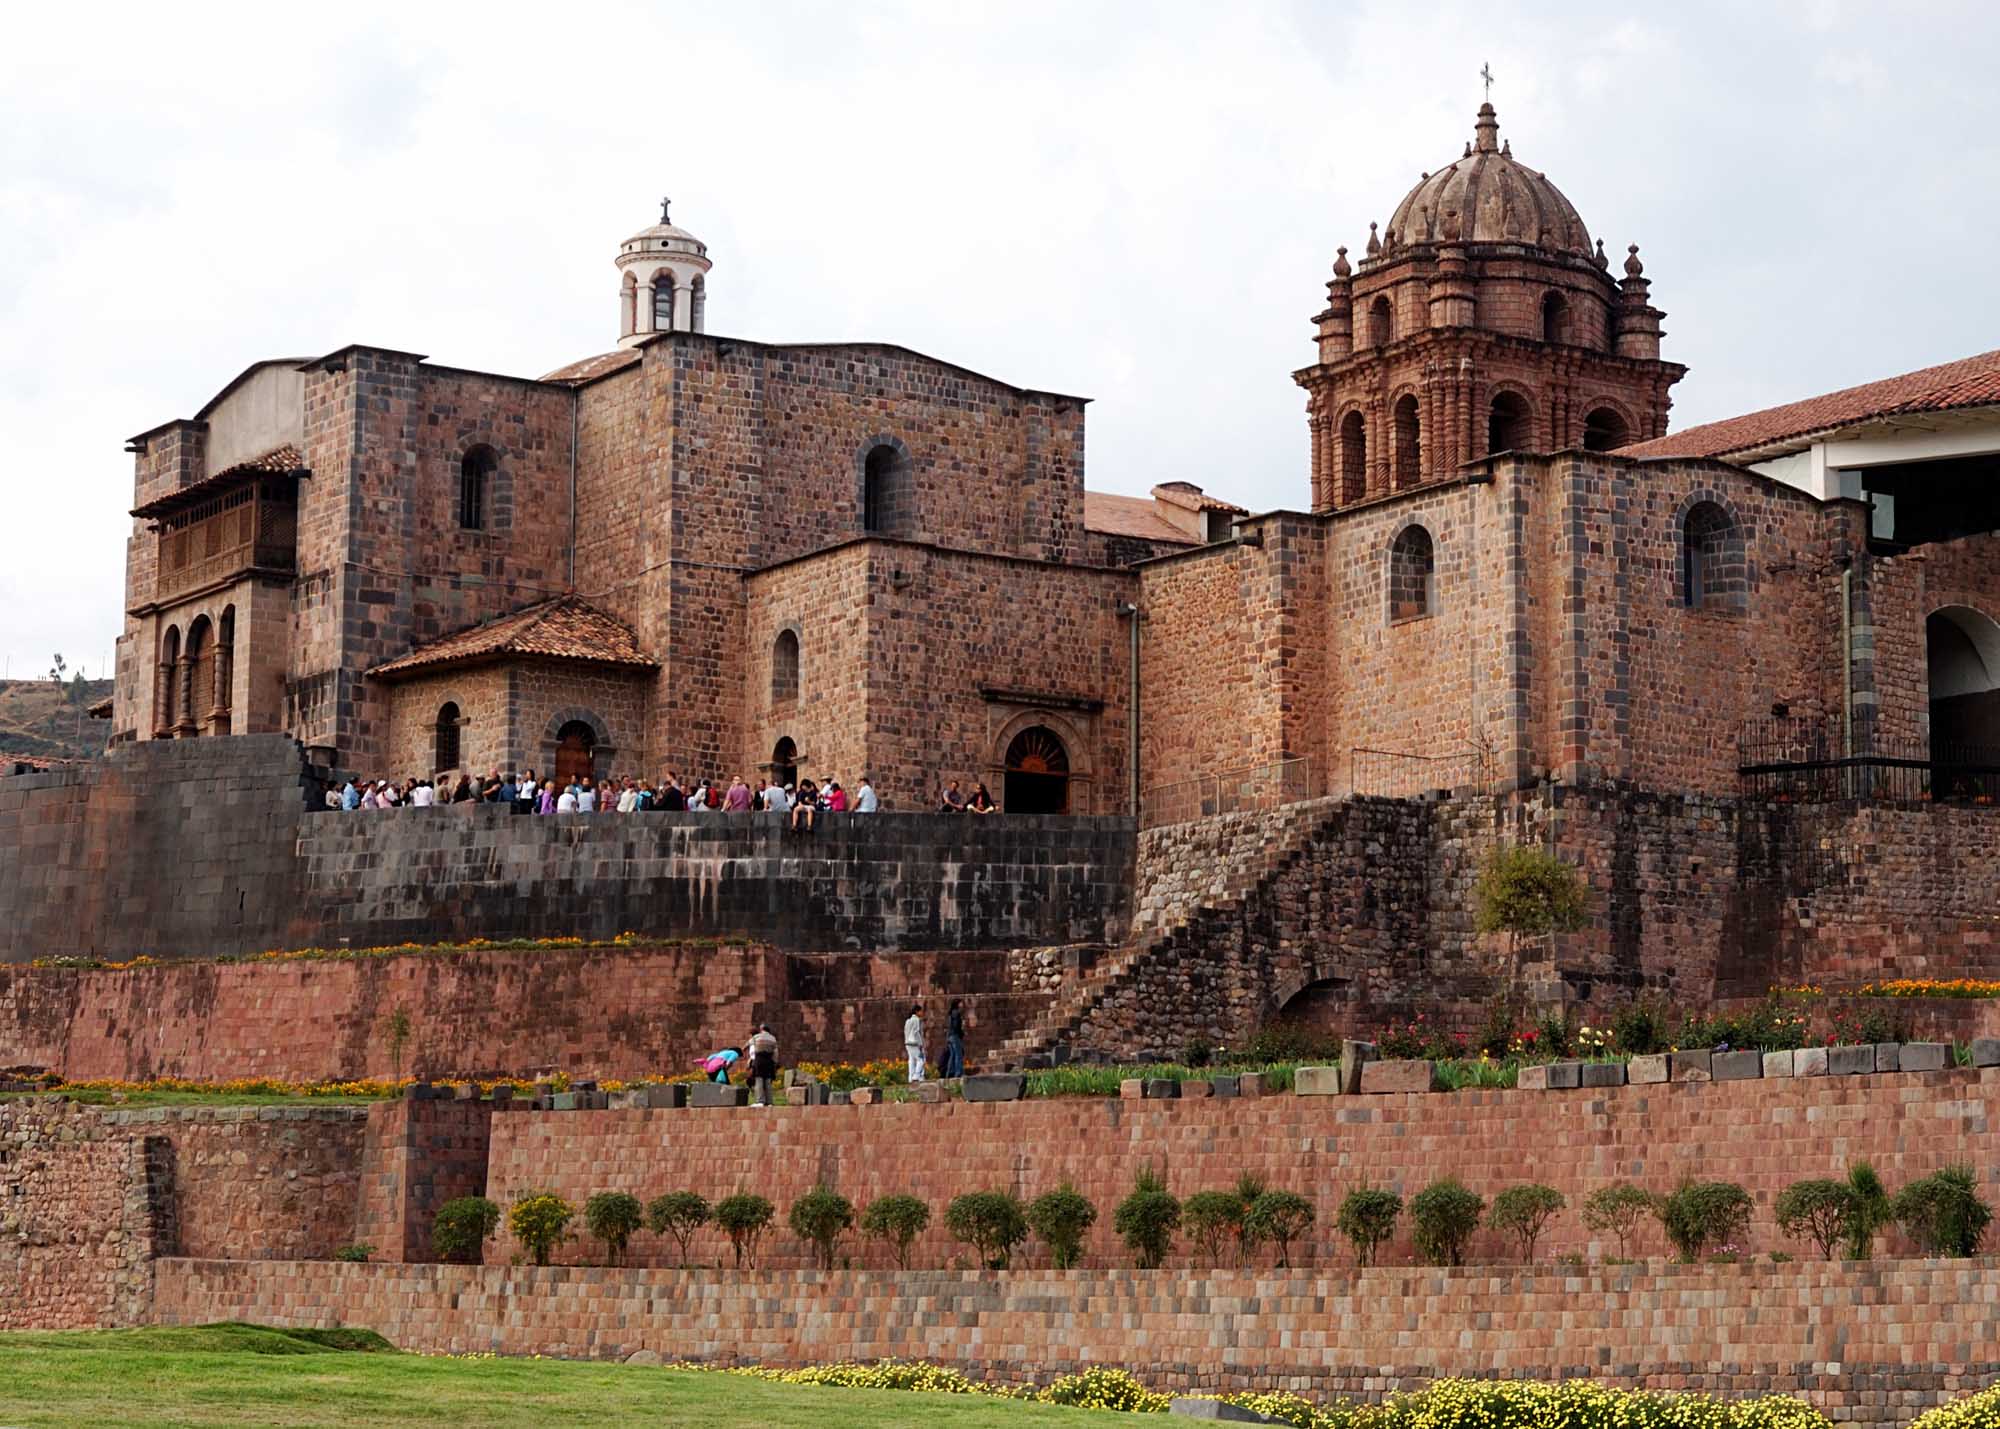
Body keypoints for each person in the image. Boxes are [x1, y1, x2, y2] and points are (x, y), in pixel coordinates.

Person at [747, 1023, 780, 1107]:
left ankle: (760, 1101)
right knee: (768, 1081)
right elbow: (776, 1053)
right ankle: (769, 1102)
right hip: (769, 1061)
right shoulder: (773, 1038)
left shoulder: (757, 1036)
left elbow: (748, 1045)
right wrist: (774, 1063)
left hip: (759, 1060)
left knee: (759, 1080)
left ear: (762, 1029)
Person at [903, 1003, 926, 1083]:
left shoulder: (908, 1020)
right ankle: (917, 1076)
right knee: (921, 1060)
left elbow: (906, 1032)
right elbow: (916, 1032)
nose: (922, 1013)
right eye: (921, 1011)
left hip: (908, 1043)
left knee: (912, 1060)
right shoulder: (916, 1019)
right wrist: (920, 1043)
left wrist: (906, 1041)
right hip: (914, 1043)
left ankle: (911, 1077)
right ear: (917, 1011)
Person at [943, 1000, 966, 1078]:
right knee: (958, 1054)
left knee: (952, 1055)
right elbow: (956, 1026)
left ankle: (949, 1073)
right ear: (957, 1004)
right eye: (960, 1002)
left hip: (949, 1036)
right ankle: (958, 1073)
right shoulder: (956, 1013)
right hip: (955, 1036)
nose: (962, 1004)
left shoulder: (950, 1014)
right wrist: (961, 1033)